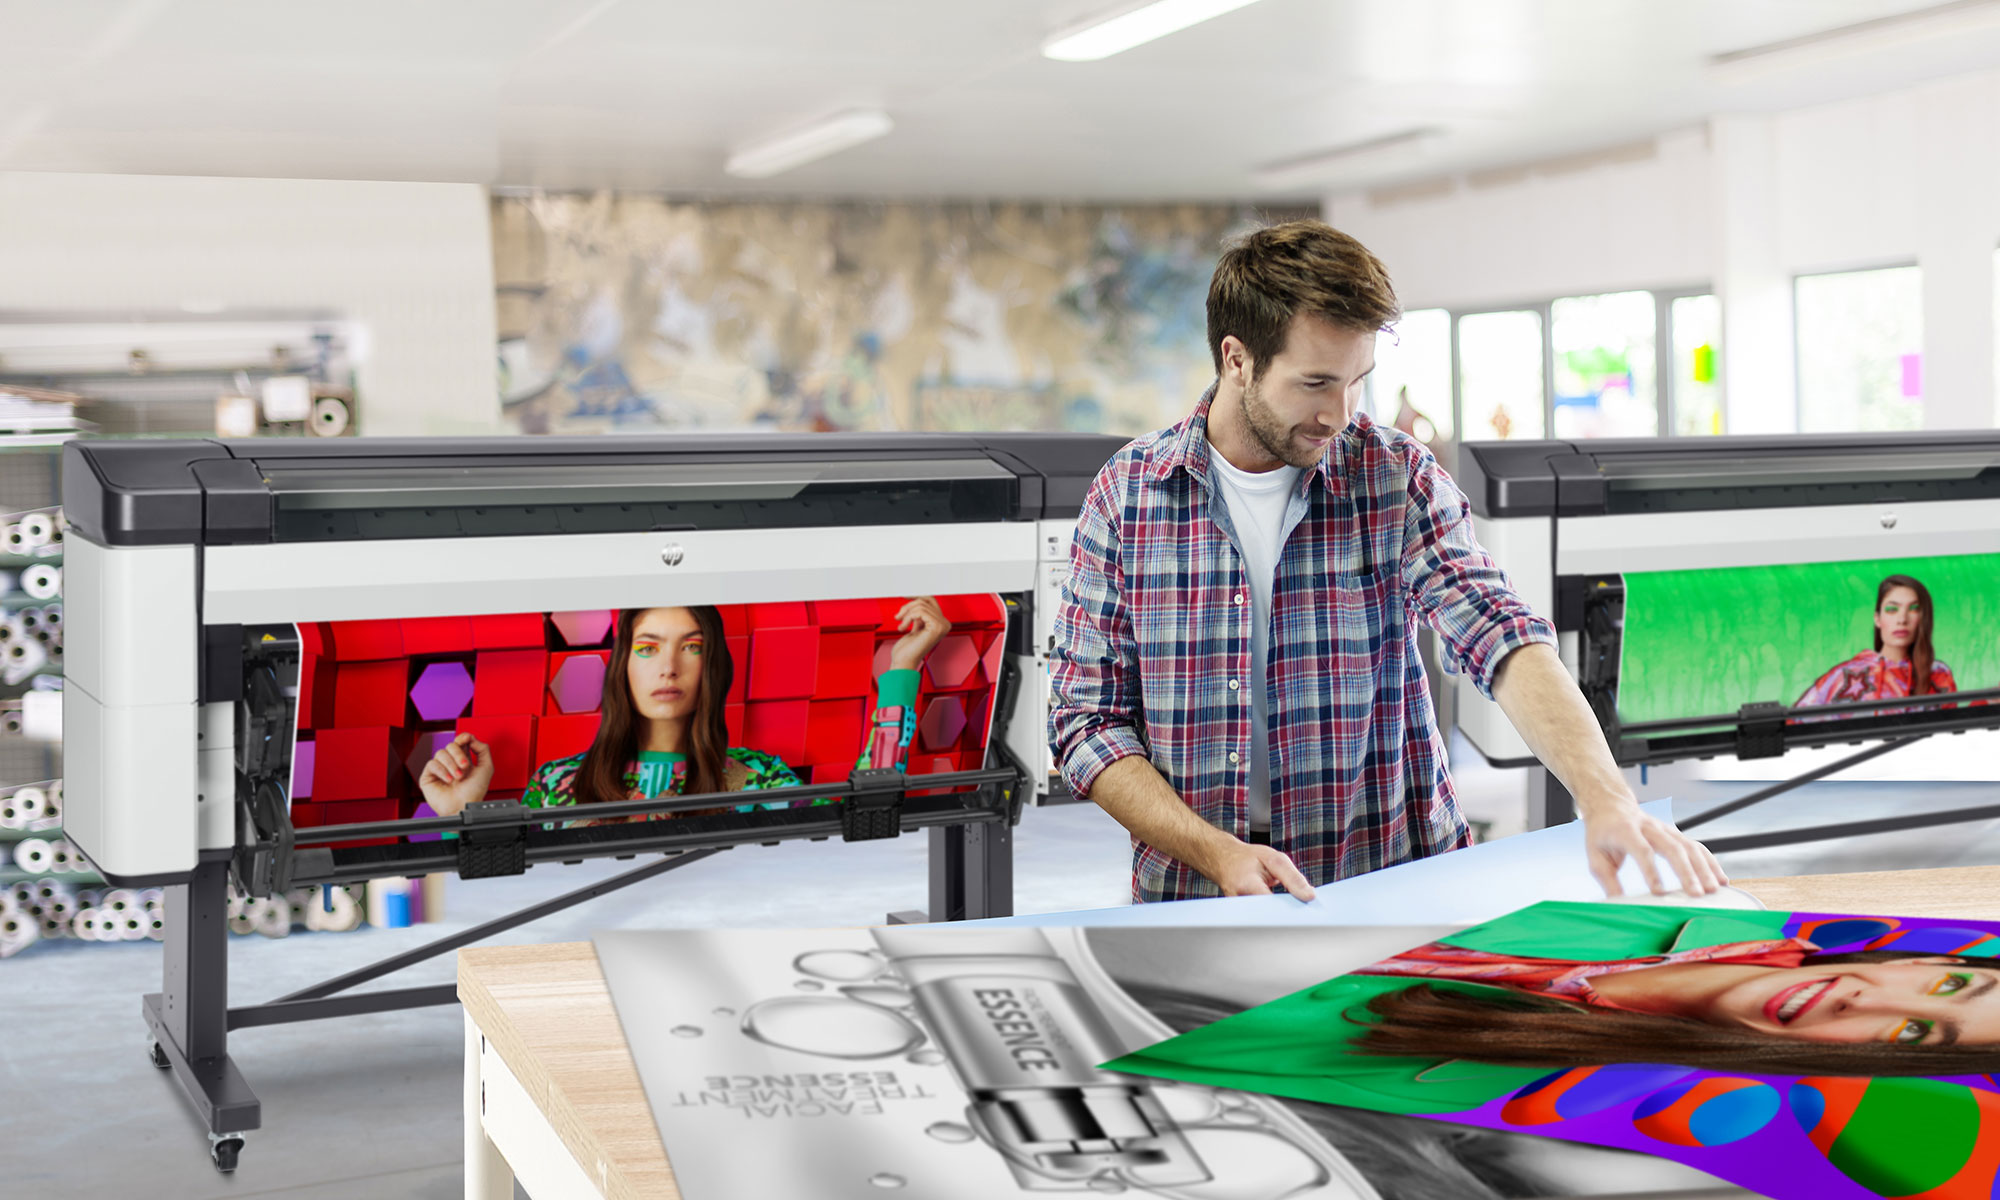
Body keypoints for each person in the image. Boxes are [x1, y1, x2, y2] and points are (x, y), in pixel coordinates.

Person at [1048, 219, 1722, 904]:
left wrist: (1605, 798)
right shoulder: (1127, 496)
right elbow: (1086, 724)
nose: (1340, 413)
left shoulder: (1395, 476)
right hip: (1195, 895)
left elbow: (1498, 631)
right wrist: (1214, 851)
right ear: (1237, 359)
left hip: (1394, 877)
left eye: (1358, 381)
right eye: (1316, 382)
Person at [1106, 902, 2000, 1119]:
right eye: (1947, 987)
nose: (1869, 998)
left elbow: (1123, 1033)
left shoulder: (1454, 1085)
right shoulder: (1686, 895)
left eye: (1914, 1034)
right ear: (1930, 957)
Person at [418, 599, 950, 820]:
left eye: (691, 647)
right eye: (648, 648)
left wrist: (902, 671)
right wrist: (460, 814)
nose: (668, 668)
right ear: (623, 667)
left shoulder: (759, 780)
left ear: (711, 665)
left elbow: (863, 817)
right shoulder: (558, 784)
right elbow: (508, 902)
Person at [1795, 574, 1955, 709]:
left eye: (1913, 609)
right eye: (1892, 610)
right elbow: (1796, 721)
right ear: (1877, 619)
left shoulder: (1937, 673)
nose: (1902, 619)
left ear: (1923, 618)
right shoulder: (1844, 675)